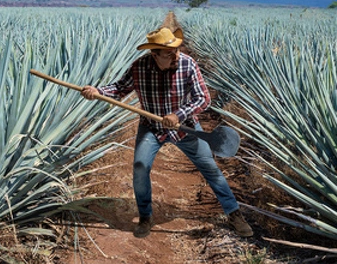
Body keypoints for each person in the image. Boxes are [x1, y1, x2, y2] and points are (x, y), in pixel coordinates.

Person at [81, 27, 253, 239]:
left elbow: (203, 98)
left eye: (177, 50)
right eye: (169, 53)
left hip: (185, 128)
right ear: (154, 55)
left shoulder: (187, 64)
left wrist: (178, 115)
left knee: (209, 167)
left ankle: (234, 213)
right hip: (152, 128)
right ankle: (145, 216)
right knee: (140, 167)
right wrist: (97, 92)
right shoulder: (139, 68)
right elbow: (119, 88)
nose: (176, 55)